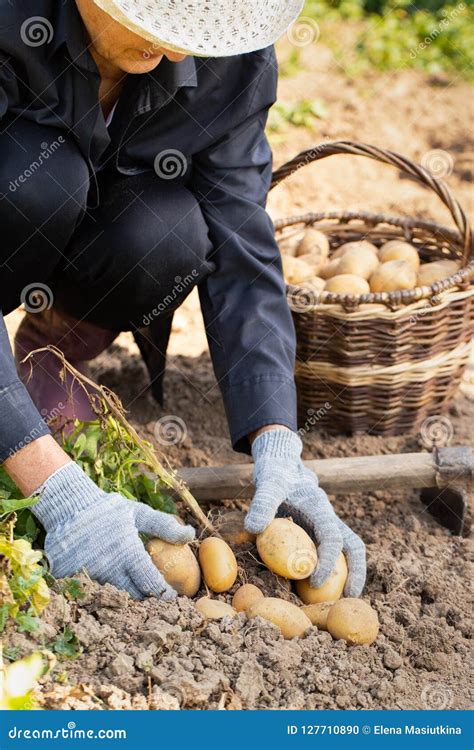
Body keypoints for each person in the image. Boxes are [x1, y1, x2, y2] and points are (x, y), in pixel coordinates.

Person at [0, 0, 366, 601]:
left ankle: (55, 344)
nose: (175, 51)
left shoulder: (229, 52)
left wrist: (277, 436)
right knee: (42, 180)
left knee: (167, 233)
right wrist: (55, 490)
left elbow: (242, 242)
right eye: (157, 23)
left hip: (96, 236)